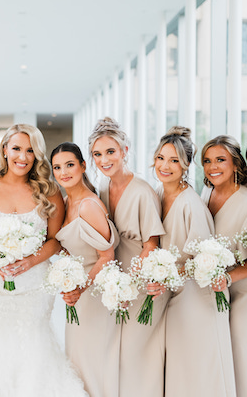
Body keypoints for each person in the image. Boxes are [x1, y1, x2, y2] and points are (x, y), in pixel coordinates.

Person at [0, 124, 87, 397]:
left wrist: (28, 262)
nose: (22, 157)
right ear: (4, 149)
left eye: (30, 151)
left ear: (37, 155)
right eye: (16, 149)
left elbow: (55, 240)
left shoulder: (49, 192)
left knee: (32, 348)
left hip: (34, 286)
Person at [154, 126, 235, 397]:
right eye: (161, 158)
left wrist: (167, 273)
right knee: (178, 370)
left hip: (195, 298)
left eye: (174, 160)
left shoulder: (191, 204)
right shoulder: (157, 192)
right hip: (173, 294)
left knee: (196, 370)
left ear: (186, 165)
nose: (165, 166)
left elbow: (203, 260)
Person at [88, 117, 165, 397]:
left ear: (125, 151)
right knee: (116, 353)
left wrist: (129, 286)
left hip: (141, 284)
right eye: (97, 154)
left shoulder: (142, 192)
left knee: (137, 354)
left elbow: (151, 245)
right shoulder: (103, 189)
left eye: (110, 152)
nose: (104, 160)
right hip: (115, 285)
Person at [200, 135, 247, 397]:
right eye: (207, 161)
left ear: (235, 164)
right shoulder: (206, 192)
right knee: (227, 364)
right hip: (224, 294)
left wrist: (228, 279)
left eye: (221, 160)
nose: (213, 166)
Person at [51, 142, 119, 397]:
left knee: (93, 363)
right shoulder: (67, 202)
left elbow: (107, 255)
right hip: (77, 295)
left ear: (83, 166)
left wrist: (80, 287)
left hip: (94, 294)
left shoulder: (88, 205)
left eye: (69, 165)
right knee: (78, 363)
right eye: (57, 167)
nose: (63, 172)